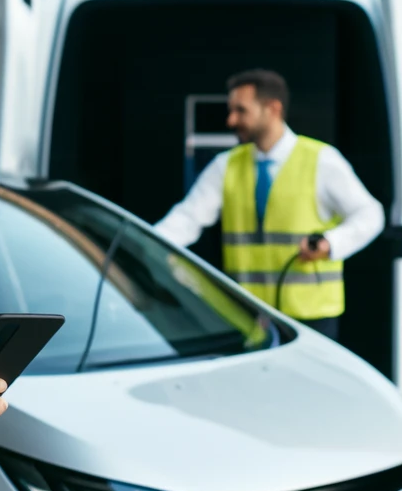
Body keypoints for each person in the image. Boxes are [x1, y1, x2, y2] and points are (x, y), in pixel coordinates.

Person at [155, 69, 384, 340]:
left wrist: (330, 243)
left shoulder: (322, 160)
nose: (231, 120)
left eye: (241, 110)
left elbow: (371, 215)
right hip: (249, 316)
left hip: (310, 319)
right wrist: (145, 244)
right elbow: (187, 218)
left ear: (272, 109)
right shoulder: (226, 165)